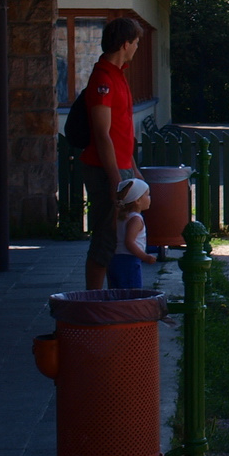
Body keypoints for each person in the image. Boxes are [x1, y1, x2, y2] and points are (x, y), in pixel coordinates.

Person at [80, 17, 144, 290]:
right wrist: (115, 179)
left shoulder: (118, 76)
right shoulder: (102, 79)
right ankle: (92, 303)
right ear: (125, 44)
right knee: (106, 239)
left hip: (121, 168)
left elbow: (122, 131)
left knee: (121, 237)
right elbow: (102, 133)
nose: (138, 48)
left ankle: (116, 298)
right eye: (137, 43)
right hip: (106, 170)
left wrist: (133, 168)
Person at [109, 178, 158, 290]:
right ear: (138, 200)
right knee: (132, 294)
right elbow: (129, 242)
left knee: (117, 293)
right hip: (129, 261)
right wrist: (145, 257)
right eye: (147, 195)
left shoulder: (121, 217)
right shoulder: (135, 219)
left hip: (115, 259)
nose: (149, 198)